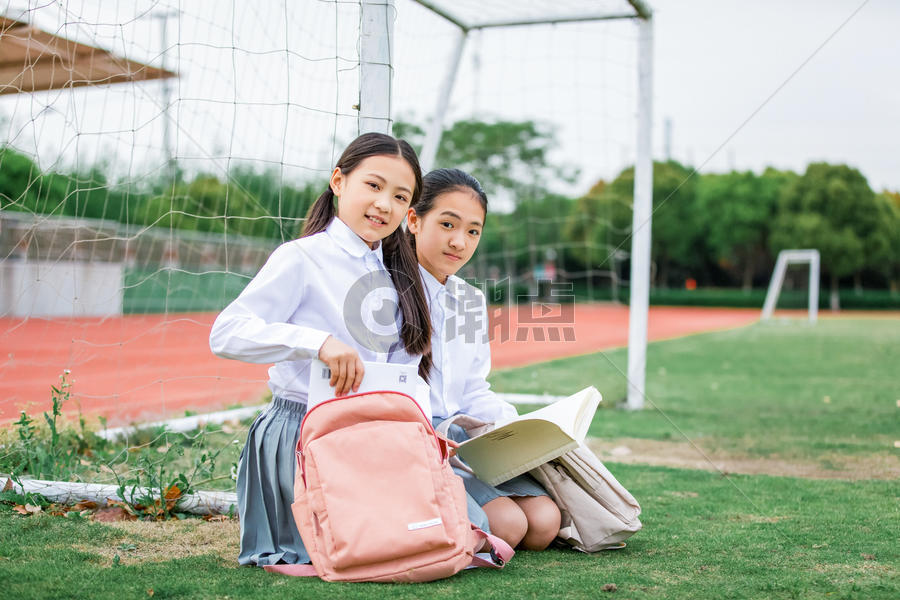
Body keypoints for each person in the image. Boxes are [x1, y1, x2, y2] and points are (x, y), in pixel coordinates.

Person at [209, 132, 432, 567]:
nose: (384, 204)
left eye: (400, 195)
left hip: (374, 437)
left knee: (414, 541)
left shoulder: (398, 275)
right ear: (338, 181)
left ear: (408, 211)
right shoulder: (301, 257)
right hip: (302, 435)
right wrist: (317, 343)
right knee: (351, 553)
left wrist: (424, 431)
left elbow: (404, 374)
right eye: (373, 185)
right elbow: (226, 333)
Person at [406, 168, 562, 551]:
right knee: (507, 526)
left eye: (473, 231)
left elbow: (475, 388)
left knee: (544, 524)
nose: (459, 241)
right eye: (447, 224)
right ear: (413, 220)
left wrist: (515, 427)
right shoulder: (383, 292)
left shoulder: (471, 300)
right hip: (417, 440)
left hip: (465, 442)